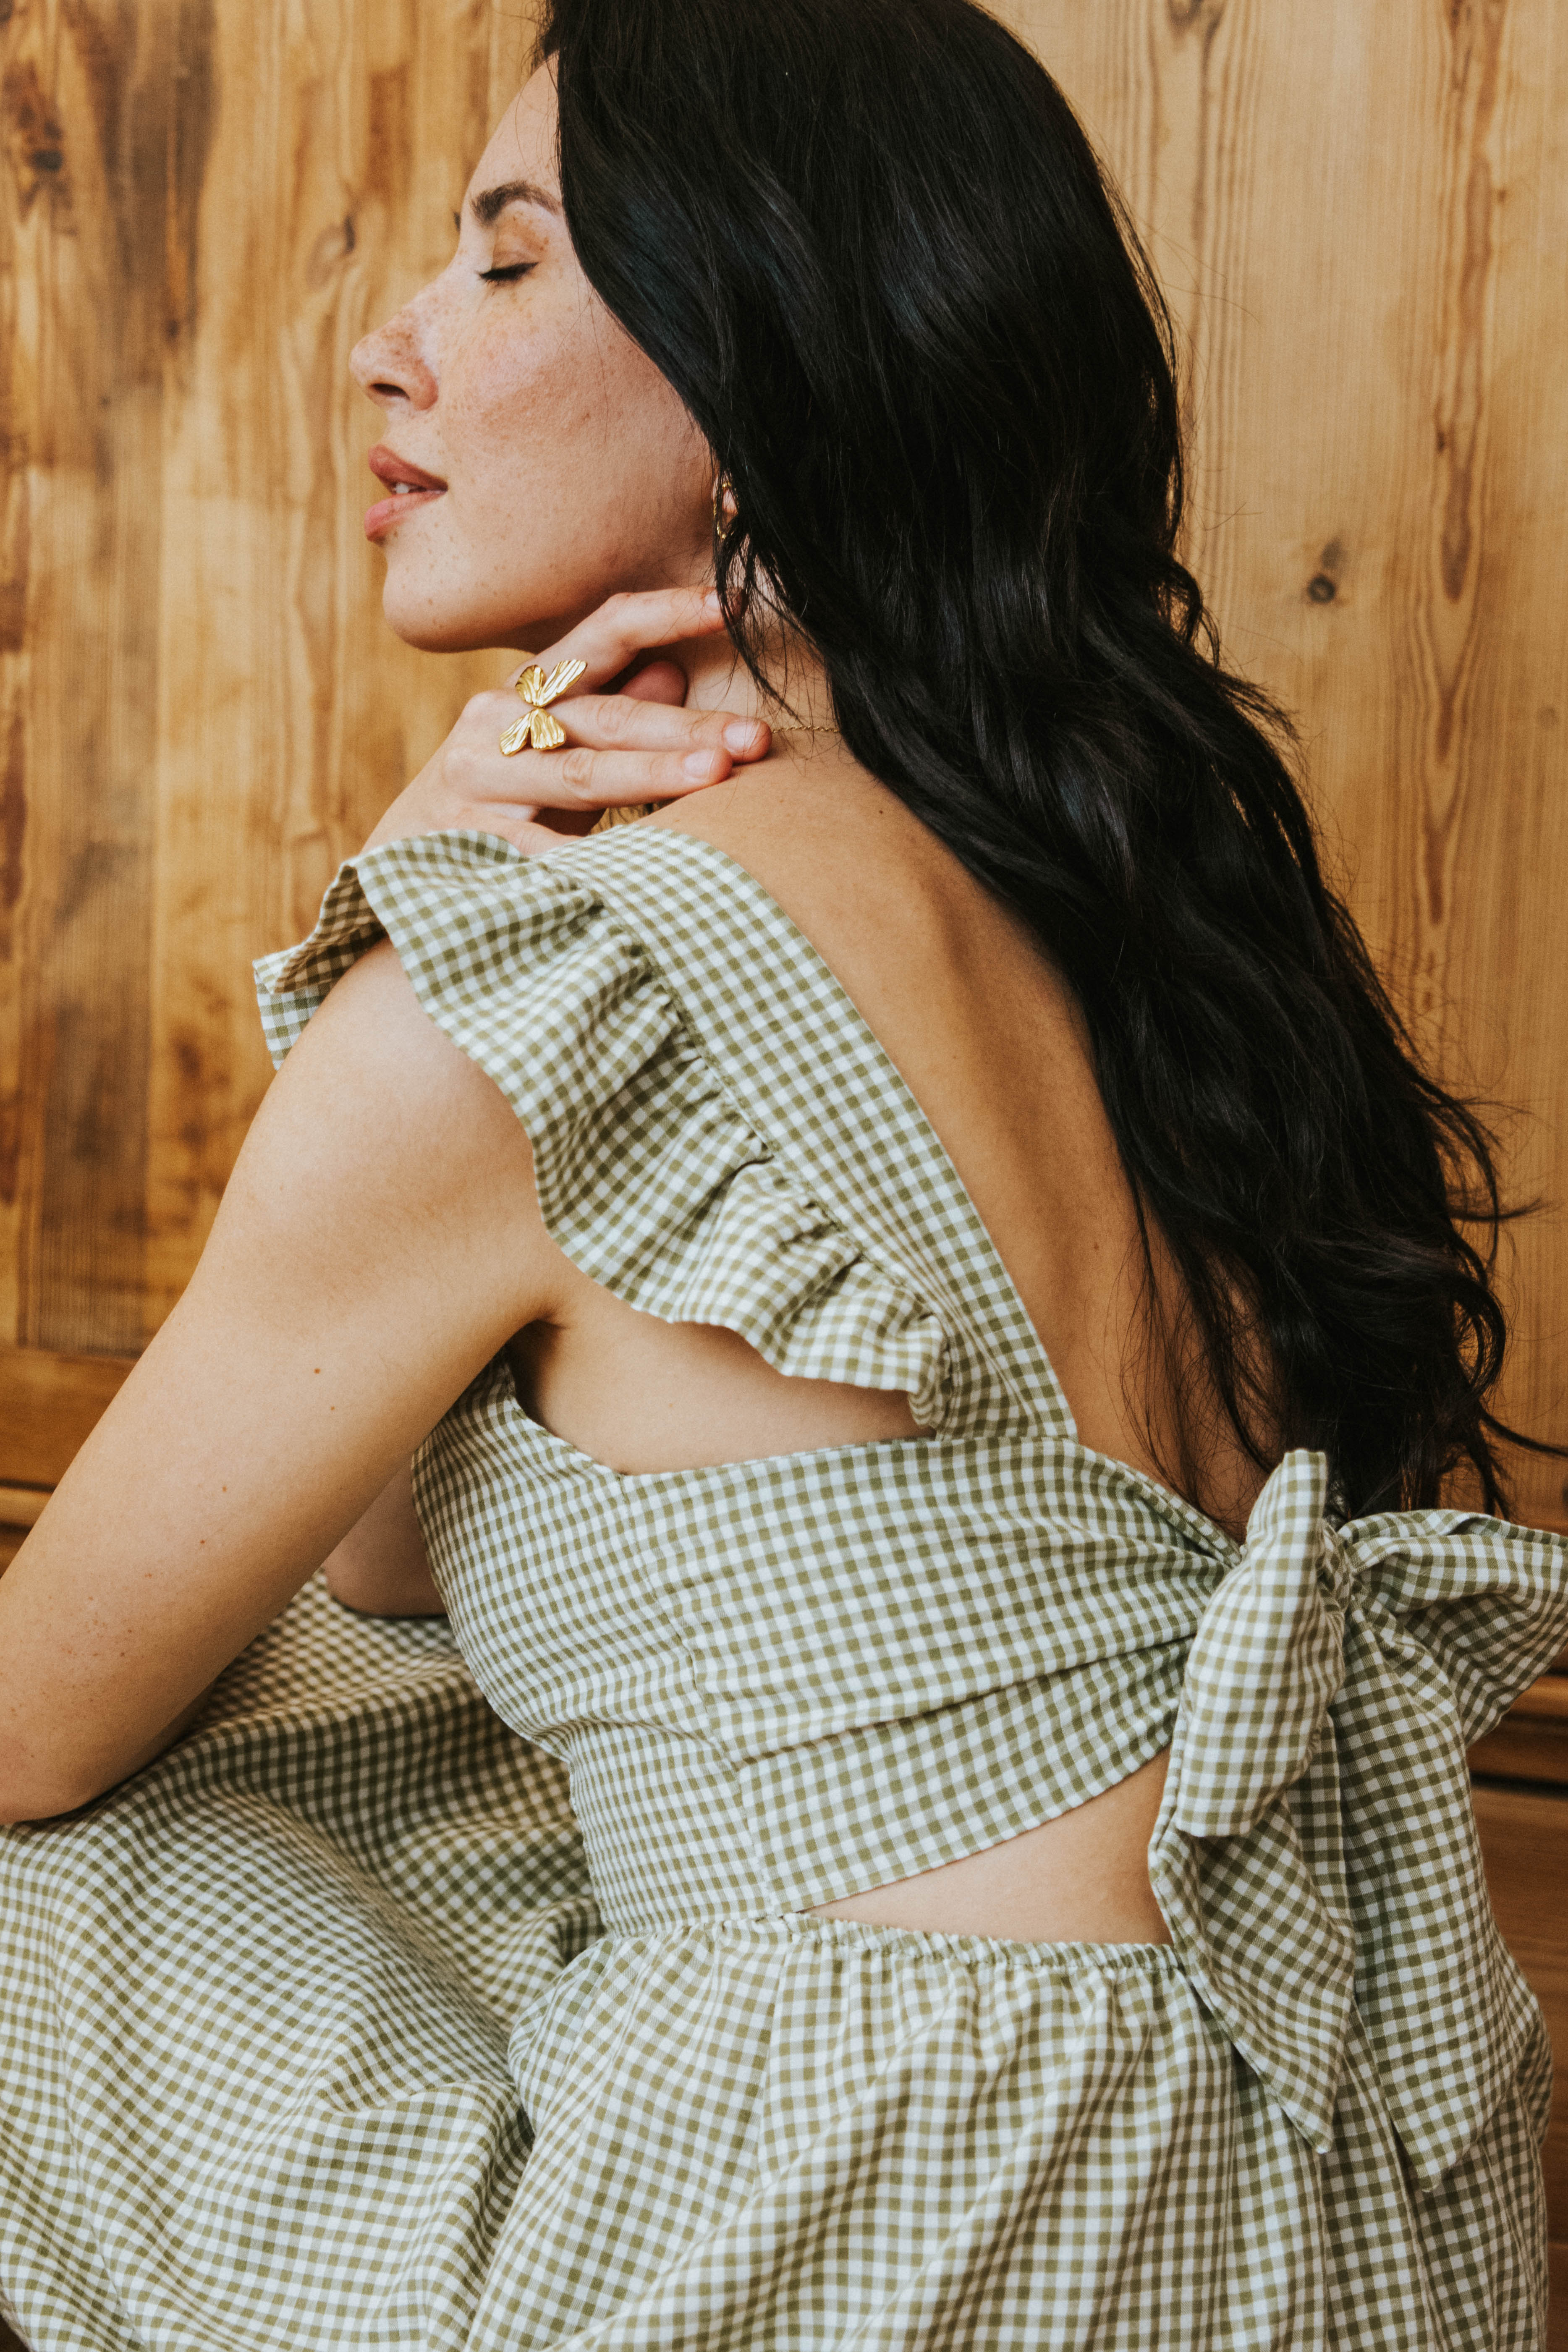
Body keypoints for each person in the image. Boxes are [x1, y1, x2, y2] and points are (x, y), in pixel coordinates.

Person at [1, 0, 1564, 2343]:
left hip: (888, 2208)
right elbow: (393, 1562)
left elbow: (35, 1729)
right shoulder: (1159, 931)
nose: (387, 344)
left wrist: (409, 931)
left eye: (506, 262)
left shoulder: (542, 994)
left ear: (764, 374)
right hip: (1304, 2185)